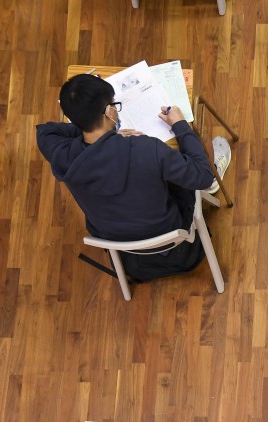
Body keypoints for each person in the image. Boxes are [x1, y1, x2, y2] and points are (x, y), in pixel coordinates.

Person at [36, 73, 223, 281]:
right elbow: (203, 176)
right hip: (168, 229)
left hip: (114, 238)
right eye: (114, 104)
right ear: (108, 111)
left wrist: (97, 134)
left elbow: (45, 132)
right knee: (187, 167)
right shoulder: (146, 149)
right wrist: (180, 125)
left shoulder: (62, 155)